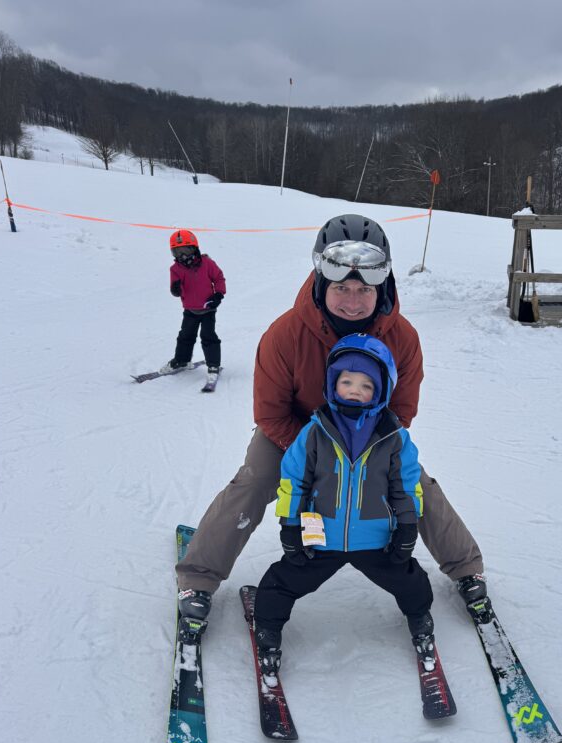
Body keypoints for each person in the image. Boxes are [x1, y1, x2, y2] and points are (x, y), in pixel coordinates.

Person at [176, 213, 488, 633]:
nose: (354, 301)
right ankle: (198, 578)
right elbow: (270, 413)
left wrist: (361, 452)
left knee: (416, 487)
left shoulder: (403, 339)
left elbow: (402, 411)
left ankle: (467, 568)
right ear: (323, 283)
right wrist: (316, 452)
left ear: (383, 286)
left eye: (365, 289)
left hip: (370, 436)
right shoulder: (285, 335)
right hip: (292, 435)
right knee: (254, 481)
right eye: (342, 288)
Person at [252, 334, 435, 675]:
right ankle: (267, 627)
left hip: (376, 540)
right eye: (346, 381)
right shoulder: (314, 433)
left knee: (410, 581)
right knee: (282, 582)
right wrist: (290, 526)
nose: (354, 389)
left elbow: (406, 486)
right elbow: (294, 481)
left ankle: (420, 617)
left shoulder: (394, 438)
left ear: (381, 391)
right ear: (331, 384)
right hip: (322, 539)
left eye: (366, 385)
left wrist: (408, 526)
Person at [162, 229, 226, 385]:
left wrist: (218, 294)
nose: (182, 256)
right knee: (185, 336)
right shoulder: (175, 269)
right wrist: (175, 289)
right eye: (177, 252)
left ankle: (213, 365)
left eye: (185, 250)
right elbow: (175, 290)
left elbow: (218, 278)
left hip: (208, 309)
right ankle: (181, 360)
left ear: (194, 248)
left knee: (208, 336)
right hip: (190, 309)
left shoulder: (207, 264)